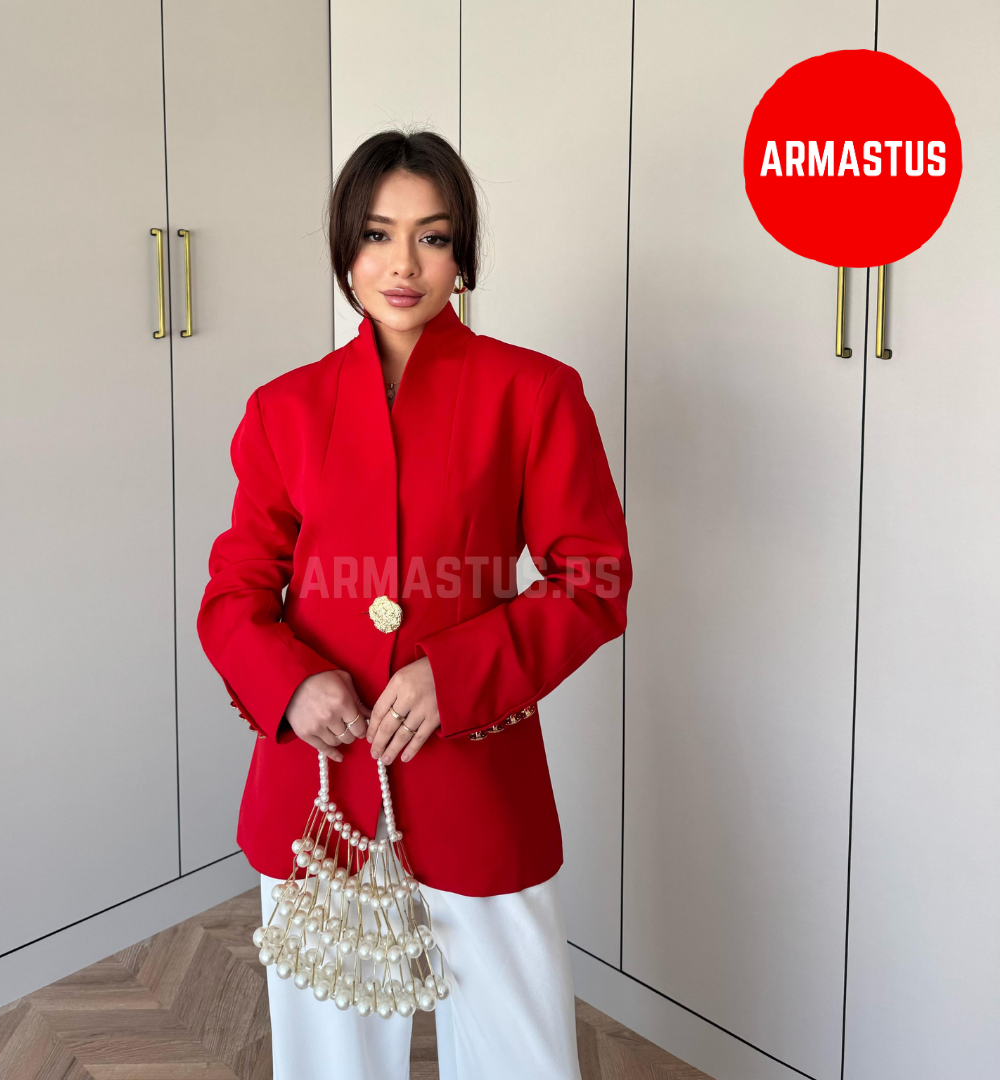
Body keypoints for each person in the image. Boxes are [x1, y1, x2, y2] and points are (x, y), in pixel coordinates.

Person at [197, 128, 631, 1080]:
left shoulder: (536, 393)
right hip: (322, 789)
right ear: (346, 250)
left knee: (521, 1054)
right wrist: (290, 685)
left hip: (476, 778)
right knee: (330, 1056)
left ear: (461, 255)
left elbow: (594, 580)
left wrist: (455, 675)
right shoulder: (283, 409)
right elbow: (234, 594)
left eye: (431, 237)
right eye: (377, 234)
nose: (403, 264)